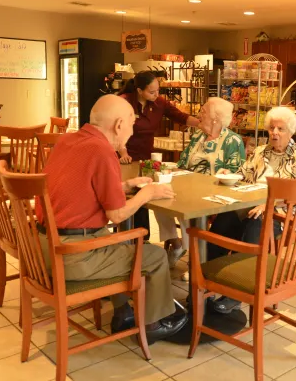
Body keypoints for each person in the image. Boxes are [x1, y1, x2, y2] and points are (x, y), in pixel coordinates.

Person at [35, 94, 187, 343]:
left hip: (42, 248)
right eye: (130, 126)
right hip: (71, 255)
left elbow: (84, 187)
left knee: (118, 244)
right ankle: (153, 324)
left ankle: (124, 313)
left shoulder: (68, 141)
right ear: (118, 125)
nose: (131, 133)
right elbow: (116, 215)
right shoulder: (103, 150)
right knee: (155, 255)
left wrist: (125, 186)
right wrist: (147, 193)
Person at [209, 106, 296, 313]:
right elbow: (242, 174)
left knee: (257, 221)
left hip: (281, 212)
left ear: (290, 132)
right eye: (272, 128)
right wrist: (227, 173)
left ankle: (237, 292)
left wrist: (269, 205)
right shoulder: (259, 152)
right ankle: (211, 277)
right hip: (250, 206)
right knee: (226, 217)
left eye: (280, 129)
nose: (274, 133)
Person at [155, 97, 245, 267]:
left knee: (184, 204)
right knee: (157, 196)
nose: (198, 114)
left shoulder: (232, 141)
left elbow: (235, 174)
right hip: (187, 186)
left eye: (203, 111)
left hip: (212, 192)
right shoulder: (198, 135)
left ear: (216, 118)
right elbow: (183, 163)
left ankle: (195, 260)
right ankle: (176, 242)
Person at [117, 71, 201, 248]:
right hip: (125, 157)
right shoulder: (124, 102)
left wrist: (203, 123)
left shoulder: (159, 103)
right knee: (129, 196)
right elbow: (116, 130)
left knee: (145, 196)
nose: (156, 95)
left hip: (146, 157)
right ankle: (129, 240)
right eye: (152, 92)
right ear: (139, 90)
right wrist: (123, 152)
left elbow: (180, 116)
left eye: (158, 91)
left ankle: (142, 239)